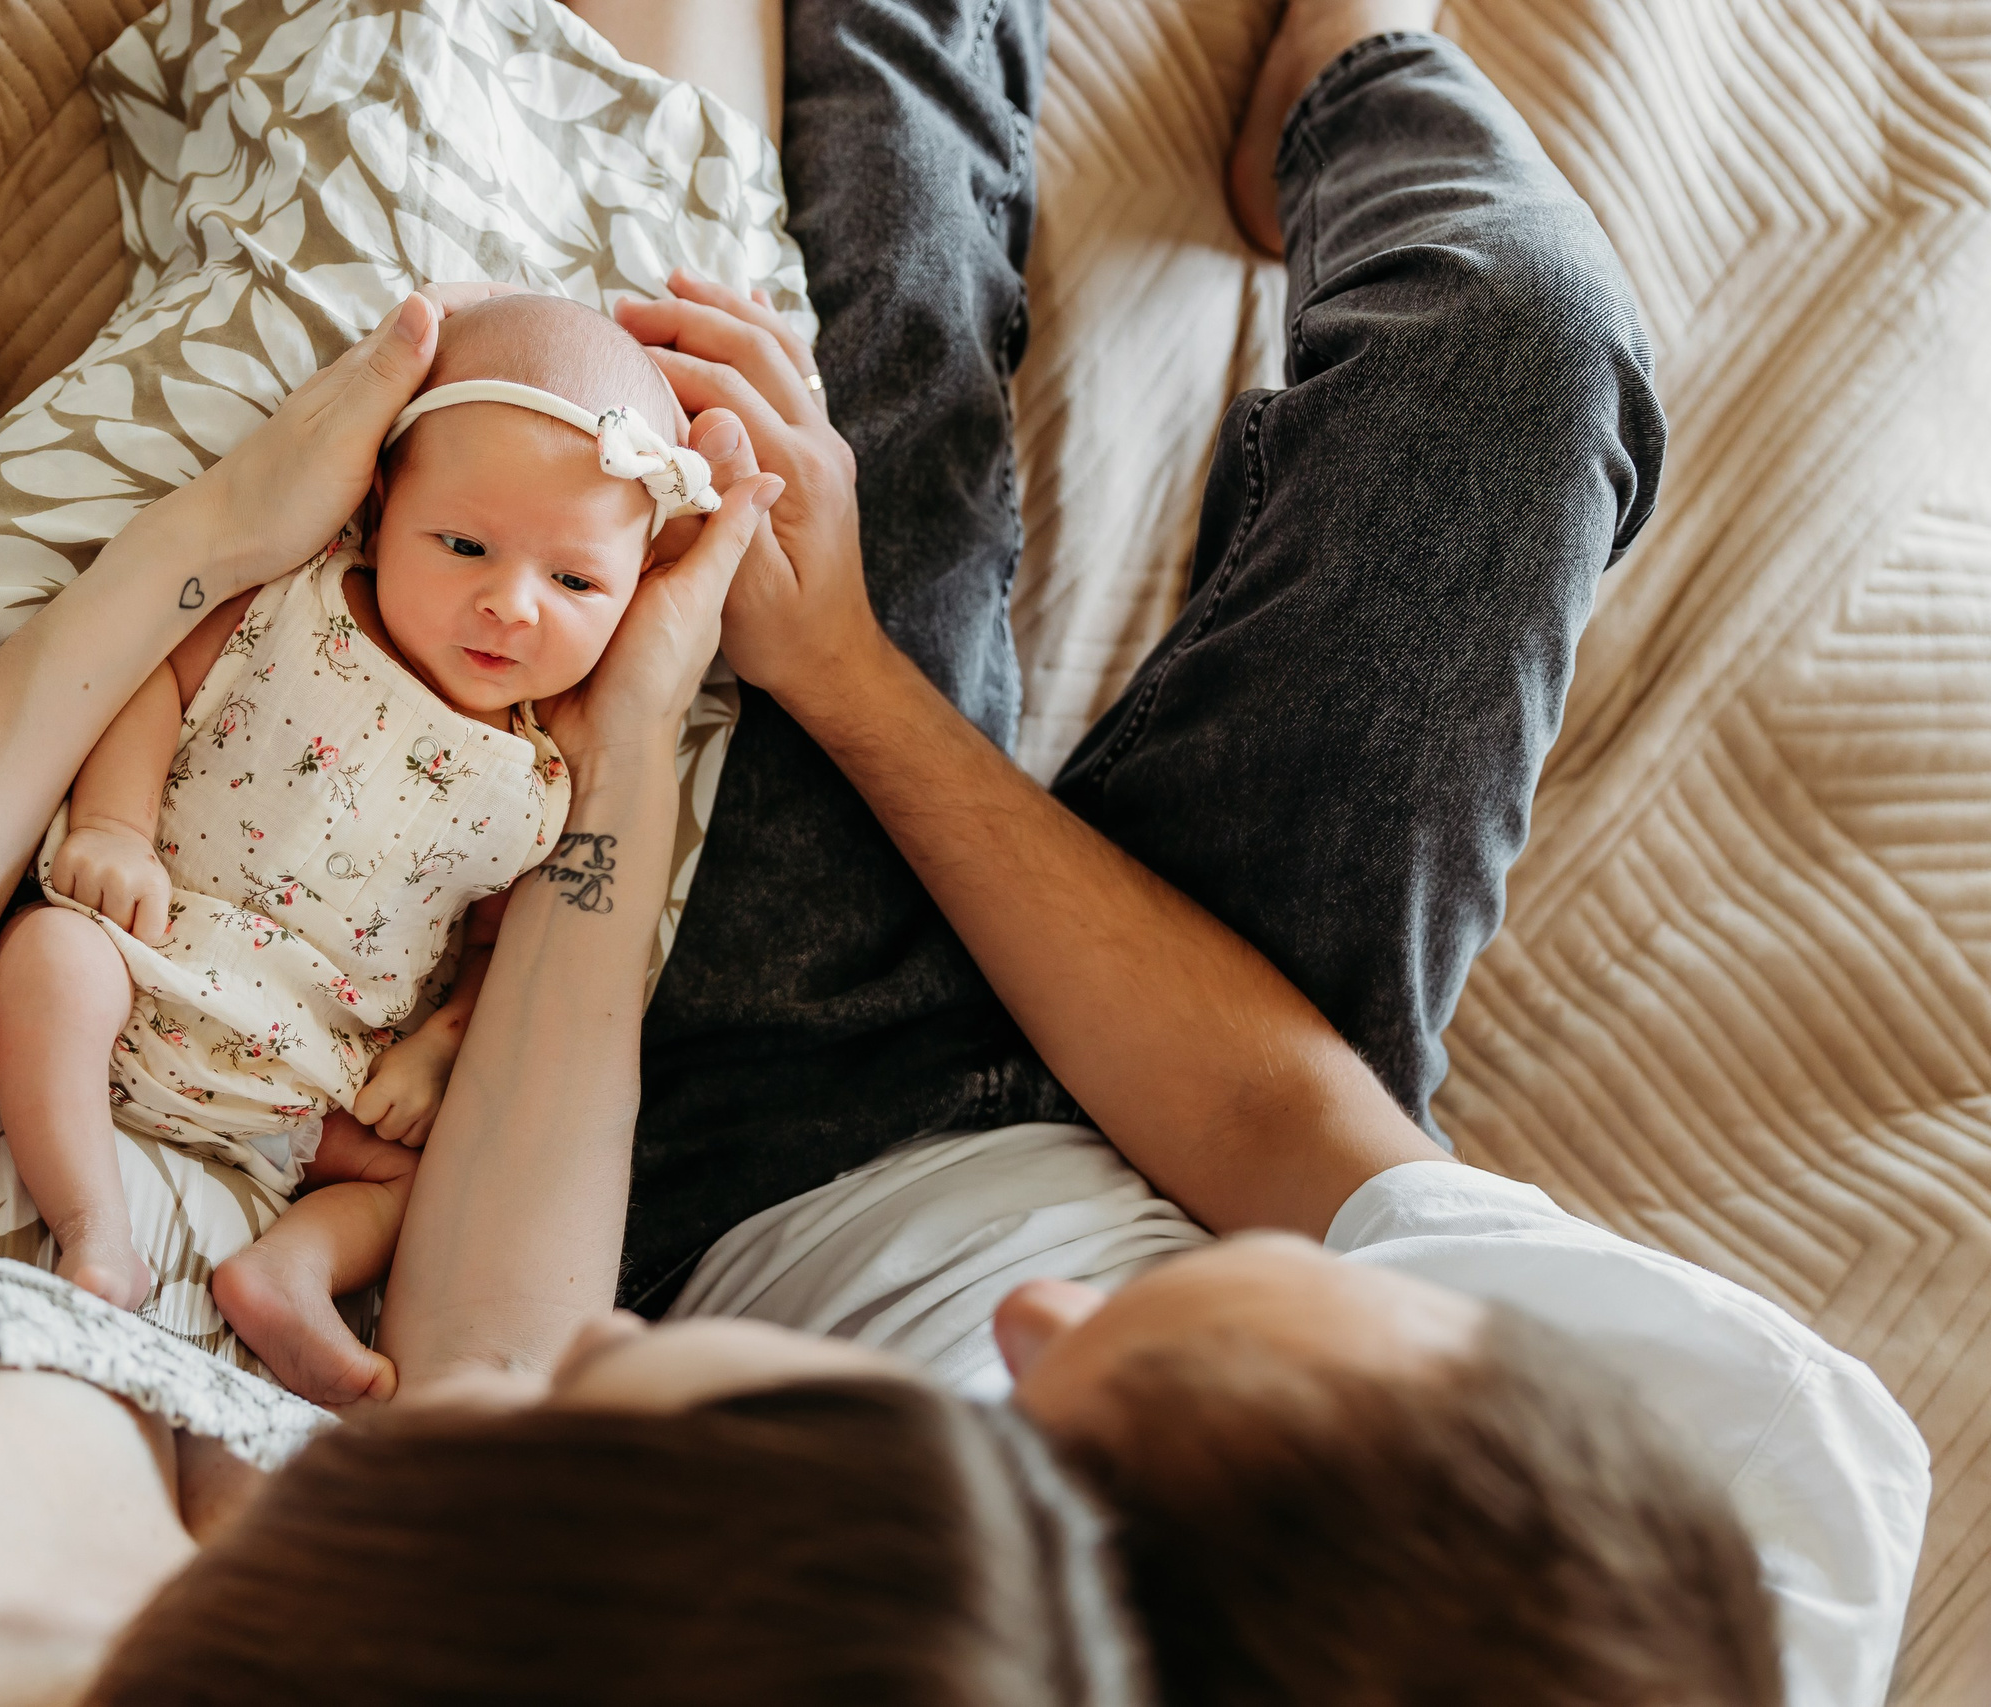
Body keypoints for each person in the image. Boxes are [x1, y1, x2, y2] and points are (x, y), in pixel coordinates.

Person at [0, 299, 1143, 1707]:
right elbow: (495, 1346)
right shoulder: (293, 1543)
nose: (612, 1321)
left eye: (644, 1375)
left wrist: (196, 535)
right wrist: (626, 730)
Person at [588, 0, 1930, 1703]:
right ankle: (1347, 72)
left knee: (868, 331)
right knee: (1525, 354)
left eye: (1047, 1465)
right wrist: (856, 680)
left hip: (751, 1156)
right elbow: (1278, 1128)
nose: (1038, 1313)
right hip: (1245, 1108)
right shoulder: (1771, 1537)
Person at [0, 295, 718, 1403]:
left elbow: (492, 948)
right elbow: (152, 681)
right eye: (463, 545)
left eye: (575, 583)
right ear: (379, 510)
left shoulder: (535, 785)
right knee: (46, 961)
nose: (510, 606)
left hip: (304, 1084)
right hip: (139, 959)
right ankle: (97, 1228)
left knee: (426, 1185)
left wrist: (433, 1053)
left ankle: (289, 1271)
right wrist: (112, 828)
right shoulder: (292, 610)